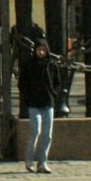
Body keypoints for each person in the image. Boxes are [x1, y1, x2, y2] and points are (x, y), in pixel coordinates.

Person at [18, 37, 58, 173]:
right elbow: (22, 83)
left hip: (48, 103)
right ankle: (29, 161)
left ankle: (42, 163)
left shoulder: (51, 65)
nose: (41, 52)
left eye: (43, 50)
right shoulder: (29, 65)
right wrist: (27, 97)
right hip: (34, 103)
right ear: (34, 51)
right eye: (38, 50)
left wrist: (54, 93)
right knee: (35, 131)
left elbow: (57, 82)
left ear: (47, 51)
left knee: (48, 134)